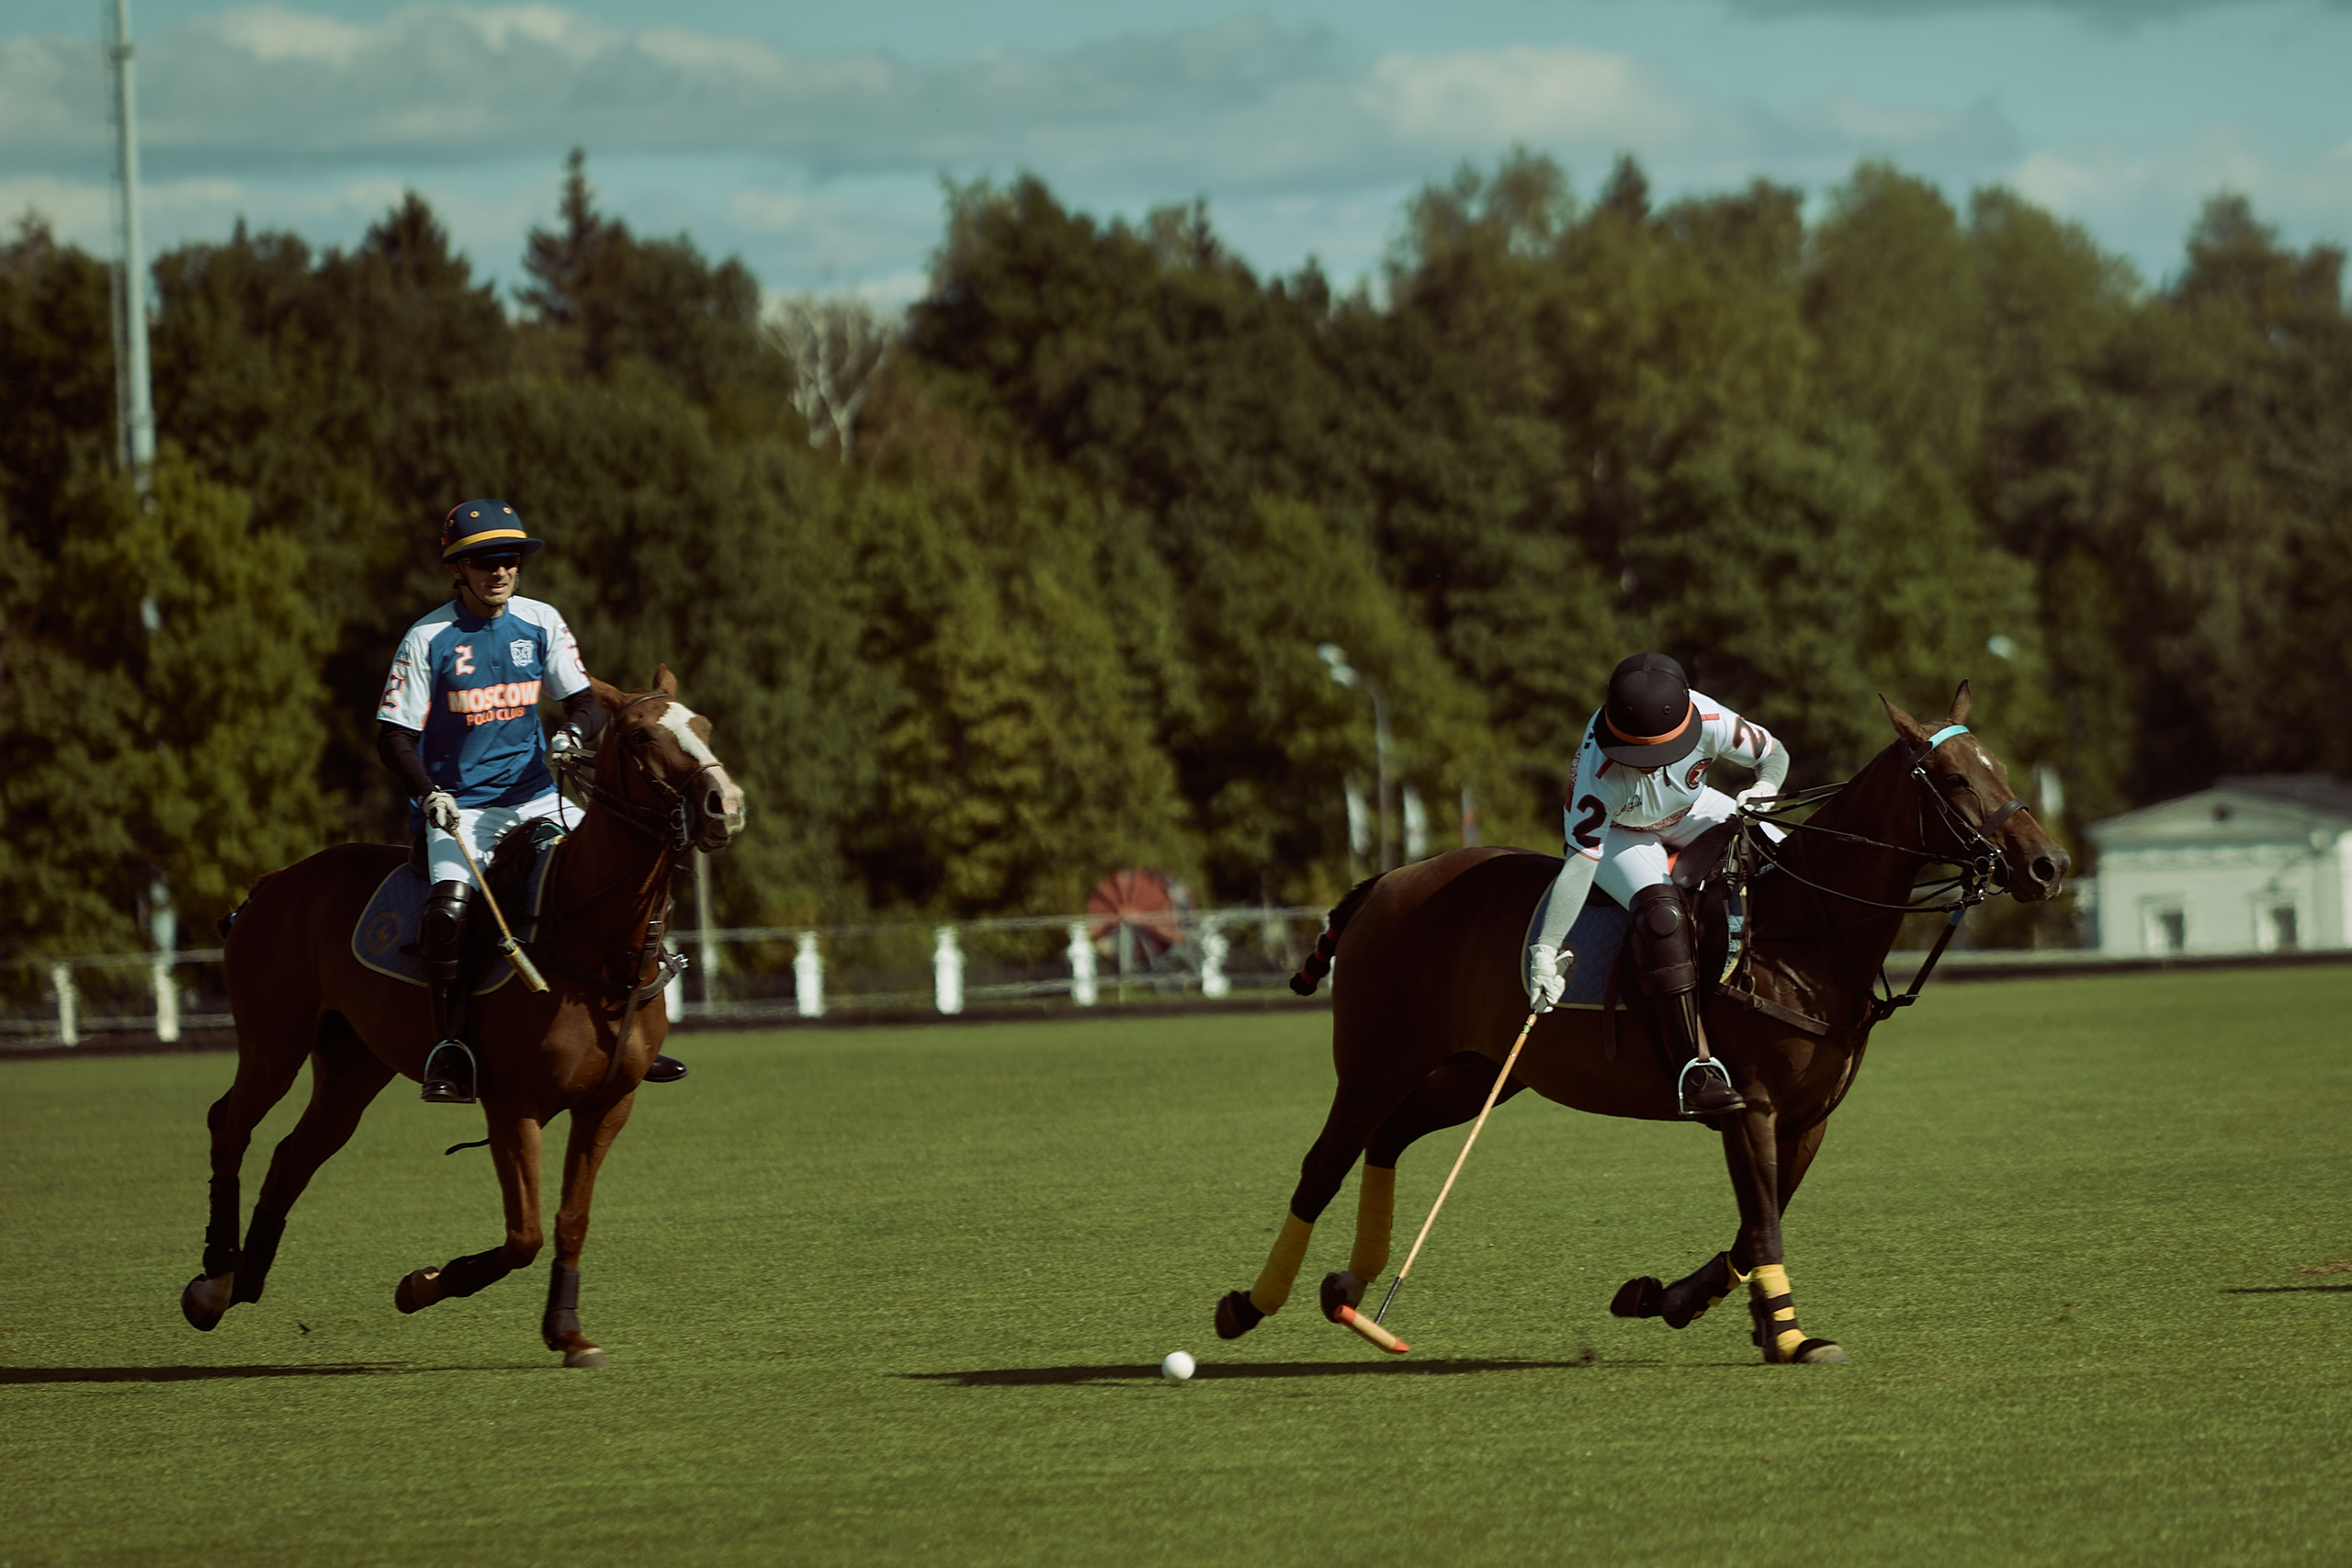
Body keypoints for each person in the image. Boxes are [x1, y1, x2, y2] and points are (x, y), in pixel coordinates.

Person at [375, 500, 686, 1103]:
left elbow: (585, 700)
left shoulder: (541, 621)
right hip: (459, 809)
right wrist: (427, 793)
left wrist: (573, 733)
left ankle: (624, 1032)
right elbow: (393, 734)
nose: (500, 570)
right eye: (485, 561)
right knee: (448, 917)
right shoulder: (428, 638)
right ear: (457, 569)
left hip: (536, 798)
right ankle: (452, 1048)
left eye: (510, 559)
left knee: (607, 883)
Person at [1521, 652, 1788, 1116]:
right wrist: (1544, 951)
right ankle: (1695, 1069)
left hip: (1692, 809)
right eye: (1637, 757)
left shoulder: (1710, 718)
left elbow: (1773, 755)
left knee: (1780, 857)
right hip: (1622, 834)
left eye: (1656, 755)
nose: (1646, 766)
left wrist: (1765, 791)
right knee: (1663, 915)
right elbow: (1582, 863)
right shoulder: (1596, 773)